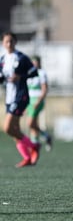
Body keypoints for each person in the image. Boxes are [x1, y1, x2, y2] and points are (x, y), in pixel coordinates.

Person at [0, 32, 40, 167]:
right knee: (14, 130)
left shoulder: (21, 58)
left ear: (15, 42)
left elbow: (34, 71)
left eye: (11, 41)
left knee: (7, 128)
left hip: (20, 96)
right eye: (6, 41)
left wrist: (21, 77)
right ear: (3, 43)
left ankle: (34, 146)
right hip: (10, 98)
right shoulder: (3, 59)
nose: (9, 44)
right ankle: (27, 157)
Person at [26, 55, 53, 151]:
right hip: (28, 101)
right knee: (33, 124)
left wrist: (39, 100)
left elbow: (44, 89)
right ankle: (38, 142)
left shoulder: (41, 73)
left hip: (37, 100)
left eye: (35, 62)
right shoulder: (28, 73)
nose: (34, 64)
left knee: (30, 123)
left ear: (39, 63)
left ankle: (39, 141)